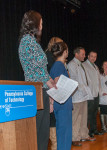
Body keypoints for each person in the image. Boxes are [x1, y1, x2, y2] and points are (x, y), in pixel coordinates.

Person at [18, 10, 56, 150]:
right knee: (38, 132)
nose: (42, 25)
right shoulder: (27, 41)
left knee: (43, 133)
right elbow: (36, 70)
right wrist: (50, 84)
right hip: (35, 90)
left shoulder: (33, 41)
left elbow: (42, 71)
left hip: (42, 90)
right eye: (41, 22)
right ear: (34, 23)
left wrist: (51, 86)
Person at [68, 47, 96, 147]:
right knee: (76, 118)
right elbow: (74, 81)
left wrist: (86, 90)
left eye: (84, 54)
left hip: (84, 95)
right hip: (76, 96)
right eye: (83, 54)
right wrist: (83, 89)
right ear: (76, 54)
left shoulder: (80, 64)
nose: (84, 56)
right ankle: (75, 138)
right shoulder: (71, 64)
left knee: (84, 116)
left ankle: (84, 134)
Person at [50, 42, 72, 150]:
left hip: (62, 103)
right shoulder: (58, 65)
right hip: (62, 104)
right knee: (64, 134)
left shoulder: (59, 64)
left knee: (64, 133)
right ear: (65, 52)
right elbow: (57, 82)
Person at [45, 37, 63, 150]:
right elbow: (49, 77)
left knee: (54, 120)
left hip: (53, 91)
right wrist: (51, 99)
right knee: (52, 120)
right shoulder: (49, 57)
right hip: (49, 91)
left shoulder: (52, 57)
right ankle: (55, 146)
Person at [83, 51, 103, 137]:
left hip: (96, 92)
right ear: (88, 56)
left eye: (95, 57)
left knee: (95, 112)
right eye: (92, 56)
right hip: (89, 93)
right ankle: (87, 131)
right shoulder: (84, 65)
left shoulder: (96, 66)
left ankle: (94, 129)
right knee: (88, 113)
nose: (93, 58)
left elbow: (98, 80)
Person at [99, 61, 107, 133]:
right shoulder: (100, 75)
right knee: (103, 112)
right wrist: (101, 93)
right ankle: (103, 127)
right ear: (102, 66)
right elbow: (98, 85)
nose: (106, 66)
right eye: (105, 64)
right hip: (103, 96)